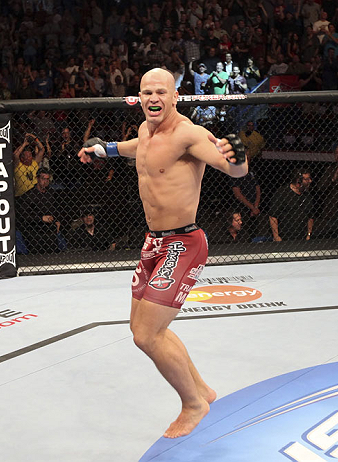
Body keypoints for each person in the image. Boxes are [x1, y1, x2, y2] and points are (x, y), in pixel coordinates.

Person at [78, 68, 246, 439]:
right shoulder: (145, 130)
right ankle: (202, 390)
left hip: (183, 243)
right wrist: (103, 149)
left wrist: (238, 157)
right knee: (142, 328)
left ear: (174, 97)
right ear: (139, 97)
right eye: (146, 92)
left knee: (147, 335)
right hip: (154, 242)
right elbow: (138, 148)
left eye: (161, 92)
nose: (153, 98)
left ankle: (193, 404)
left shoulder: (189, 133)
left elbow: (231, 168)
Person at [269, 169, 315, 242]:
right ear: (298, 181)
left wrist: (308, 235)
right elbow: (273, 216)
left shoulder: (307, 195)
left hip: (302, 237)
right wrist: (276, 236)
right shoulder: (282, 193)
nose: (310, 181)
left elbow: (310, 217)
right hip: (285, 237)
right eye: (306, 179)